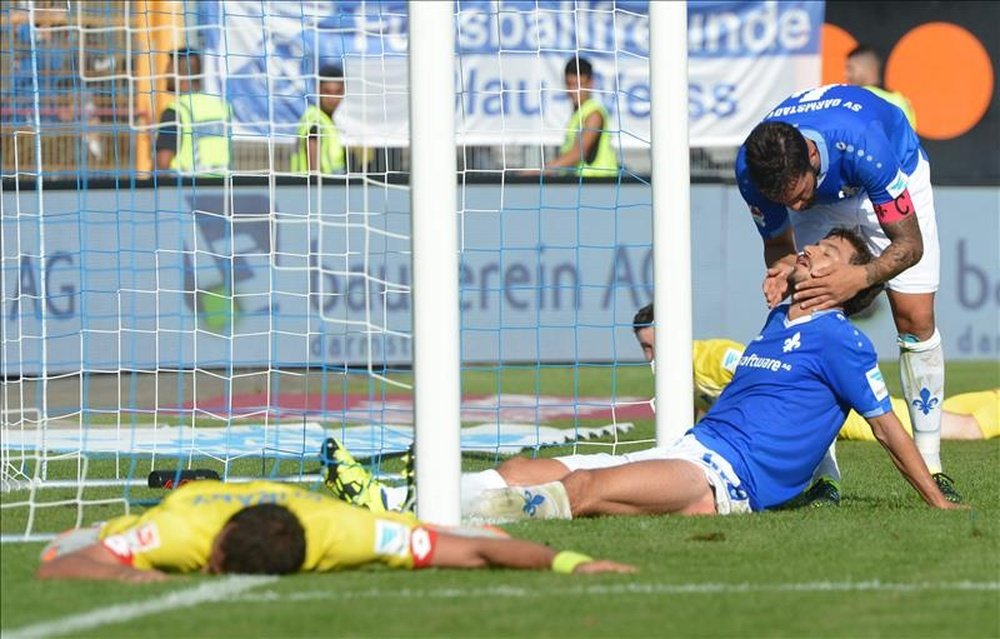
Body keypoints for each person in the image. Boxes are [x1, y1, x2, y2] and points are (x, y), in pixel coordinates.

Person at [464, 229, 962, 522]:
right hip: (688, 448)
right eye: (816, 244)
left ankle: (445, 513)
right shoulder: (777, 319)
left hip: (722, 478)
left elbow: (885, 426)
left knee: (583, 489)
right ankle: (420, 495)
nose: (809, 250)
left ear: (849, 282)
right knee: (520, 469)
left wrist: (936, 499)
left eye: (827, 254)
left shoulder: (842, 341)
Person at [735, 83, 959, 502]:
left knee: (915, 318)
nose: (796, 208)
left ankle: (931, 464)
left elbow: (909, 246)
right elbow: (779, 246)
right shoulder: (752, 170)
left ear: (813, 159)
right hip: (830, 196)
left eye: (798, 195)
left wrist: (861, 278)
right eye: (786, 202)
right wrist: (783, 271)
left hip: (894, 177)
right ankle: (823, 477)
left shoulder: (863, 143)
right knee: (810, 310)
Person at [36, 479, 634, 582]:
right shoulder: (177, 533)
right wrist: (142, 580)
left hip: (300, 512)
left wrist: (572, 563)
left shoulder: (340, 531)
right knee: (65, 542)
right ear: (215, 547)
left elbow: (483, 547)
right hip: (135, 523)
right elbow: (58, 566)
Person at [630, 303, 998, 441]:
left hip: (837, 411)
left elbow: (758, 370)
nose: (650, 355)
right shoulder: (683, 375)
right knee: (927, 408)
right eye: (644, 347)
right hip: (819, 414)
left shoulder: (710, 357)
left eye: (654, 345)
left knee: (965, 430)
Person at [537, 57, 618, 177]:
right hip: (582, 184)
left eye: (579, 85)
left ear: (590, 83)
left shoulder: (594, 114)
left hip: (599, 184)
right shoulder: (578, 114)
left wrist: (543, 170)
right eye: (570, 85)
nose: (574, 91)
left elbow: (579, 152)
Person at [155, 48, 232, 175]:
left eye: (168, 69)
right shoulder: (221, 107)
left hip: (187, 189)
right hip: (222, 188)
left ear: (180, 74)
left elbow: (163, 163)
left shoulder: (175, 111)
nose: (165, 74)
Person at [290, 64, 347, 175]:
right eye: (327, 92)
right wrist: (316, 186)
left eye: (337, 92)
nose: (332, 98)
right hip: (317, 189)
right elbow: (312, 144)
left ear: (343, 92)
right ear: (318, 90)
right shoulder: (315, 120)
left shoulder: (327, 120)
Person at [845, 45, 917, 129]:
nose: (846, 74)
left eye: (851, 68)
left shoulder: (857, 99)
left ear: (868, 67)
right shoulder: (901, 102)